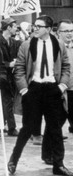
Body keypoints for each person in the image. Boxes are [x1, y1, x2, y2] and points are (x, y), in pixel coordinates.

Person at [7, 15, 73, 176]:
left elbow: (66, 66)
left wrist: (61, 86)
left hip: (53, 90)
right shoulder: (27, 45)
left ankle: (58, 165)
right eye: (34, 26)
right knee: (27, 129)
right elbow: (20, 69)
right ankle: (13, 161)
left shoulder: (58, 45)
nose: (35, 29)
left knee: (55, 129)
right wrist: (24, 91)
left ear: (49, 29)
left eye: (39, 26)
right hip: (33, 90)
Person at [41, 19, 73, 165]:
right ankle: (48, 154)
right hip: (60, 91)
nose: (70, 34)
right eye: (66, 31)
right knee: (55, 124)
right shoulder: (53, 48)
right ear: (57, 32)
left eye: (71, 31)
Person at [0, 17, 20, 137]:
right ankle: (11, 128)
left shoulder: (13, 42)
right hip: (2, 76)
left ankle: (0, 125)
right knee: (7, 101)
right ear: (8, 27)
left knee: (7, 101)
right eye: (14, 26)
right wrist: (8, 64)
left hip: (10, 75)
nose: (16, 28)